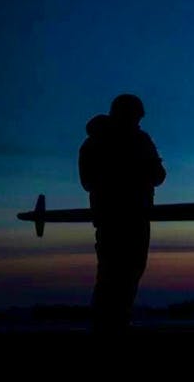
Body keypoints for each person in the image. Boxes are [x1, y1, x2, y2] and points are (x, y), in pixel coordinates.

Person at [79, 94, 166, 332]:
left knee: (109, 273)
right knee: (128, 272)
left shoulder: (92, 143)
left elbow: (86, 181)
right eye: (136, 117)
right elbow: (158, 176)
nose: (138, 122)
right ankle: (115, 323)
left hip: (107, 219)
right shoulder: (139, 140)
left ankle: (105, 324)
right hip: (134, 217)